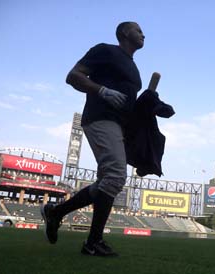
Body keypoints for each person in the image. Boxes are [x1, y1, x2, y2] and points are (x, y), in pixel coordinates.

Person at [40, 22, 145, 257]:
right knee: (116, 175)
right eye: (138, 30)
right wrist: (101, 90)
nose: (143, 34)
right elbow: (73, 76)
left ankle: (56, 212)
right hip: (100, 117)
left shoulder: (133, 66)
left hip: (119, 124)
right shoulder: (106, 50)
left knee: (106, 182)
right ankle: (93, 242)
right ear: (125, 33)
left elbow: (129, 101)